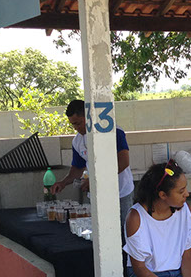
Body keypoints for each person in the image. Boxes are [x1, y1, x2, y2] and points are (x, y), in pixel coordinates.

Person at [51, 99, 135, 231]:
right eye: (73, 125)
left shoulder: (113, 132)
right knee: (100, 230)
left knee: (125, 230)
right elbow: (77, 168)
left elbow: (123, 162)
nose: (76, 128)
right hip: (96, 196)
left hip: (120, 192)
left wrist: (96, 180)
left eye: (78, 123)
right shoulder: (77, 141)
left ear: (89, 117)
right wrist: (63, 183)